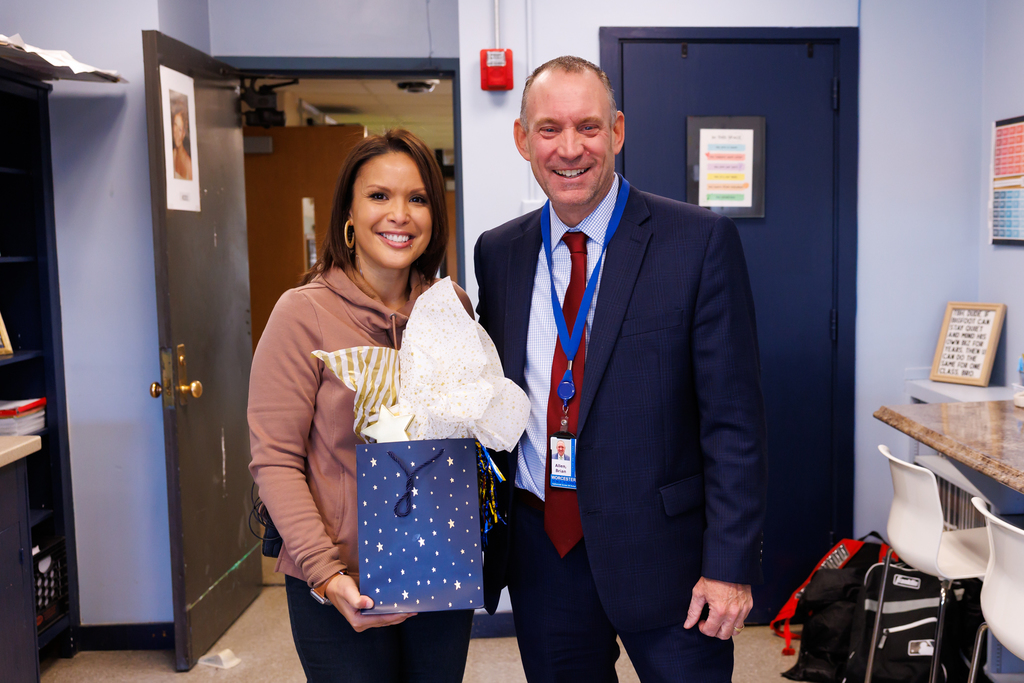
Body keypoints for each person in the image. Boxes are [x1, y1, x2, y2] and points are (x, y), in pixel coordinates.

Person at [474, 56, 768, 682]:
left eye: (588, 126)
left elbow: (733, 422)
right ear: (523, 139)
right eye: (549, 129)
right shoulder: (498, 253)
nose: (570, 148)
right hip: (544, 554)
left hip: (670, 561)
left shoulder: (697, 242)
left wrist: (730, 565)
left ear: (618, 131)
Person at [249, 129, 475, 683]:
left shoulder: (452, 308)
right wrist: (325, 574)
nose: (400, 214)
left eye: (417, 198)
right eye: (379, 196)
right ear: (348, 214)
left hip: (437, 565)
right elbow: (275, 460)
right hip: (339, 578)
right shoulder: (301, 314)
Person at [171, 104, 192, 181]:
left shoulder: (189, 166)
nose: (176, 132)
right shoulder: (172, 154)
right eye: (175, 125)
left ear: (184, 133)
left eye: (180, 129)